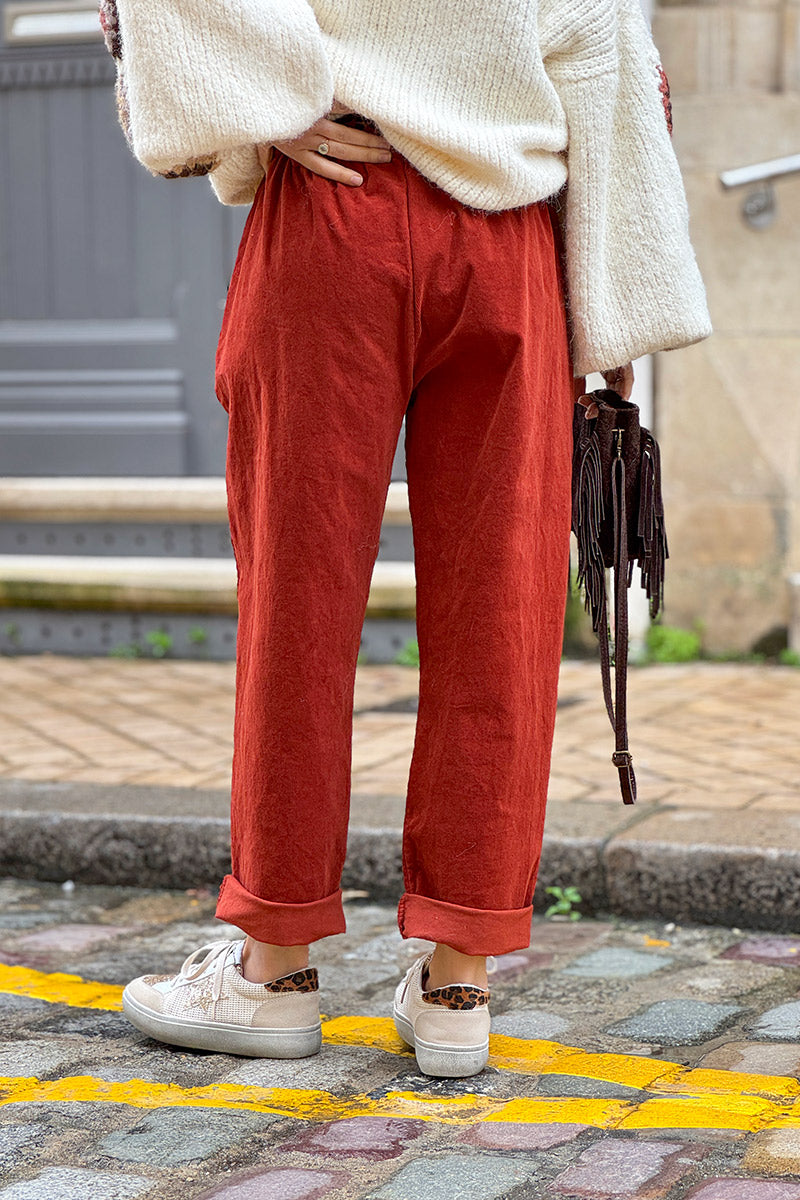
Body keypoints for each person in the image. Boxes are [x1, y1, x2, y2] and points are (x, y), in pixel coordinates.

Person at [100, 0, 711, 1078]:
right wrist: (614, 294)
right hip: (507, 239)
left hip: (335, 207)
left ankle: (273, 971)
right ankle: (455, 987)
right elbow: (604, 37)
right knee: (503, 617)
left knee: (298, 597)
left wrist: (259, 102)